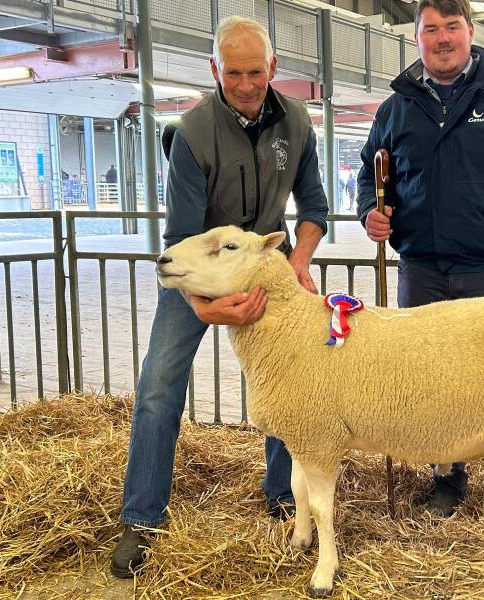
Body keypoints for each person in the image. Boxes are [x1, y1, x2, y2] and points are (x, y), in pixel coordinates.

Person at [111, 16, 328, 578]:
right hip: (201, 276)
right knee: (160, 383)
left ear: (273, 68)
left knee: (290, 379)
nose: (247, 83)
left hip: (267, 271)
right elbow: (179, 239)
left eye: (256, 71)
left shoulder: (298, 123)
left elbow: (315, 209)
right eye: (234, 72)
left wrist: (297, 263)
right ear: (216, 70)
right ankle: (142, 518)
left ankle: (285, 497)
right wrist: (203, 305)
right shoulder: (190, 132)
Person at [356, 0, 484, 527]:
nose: (442, 38)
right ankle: (446, 479)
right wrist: (370, 213)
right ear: (418, 37)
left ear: (471, 32)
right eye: (431, 29)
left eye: (452, 27)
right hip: (421, 267)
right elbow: (371, 173)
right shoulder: (397, 107)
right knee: (429, 380)